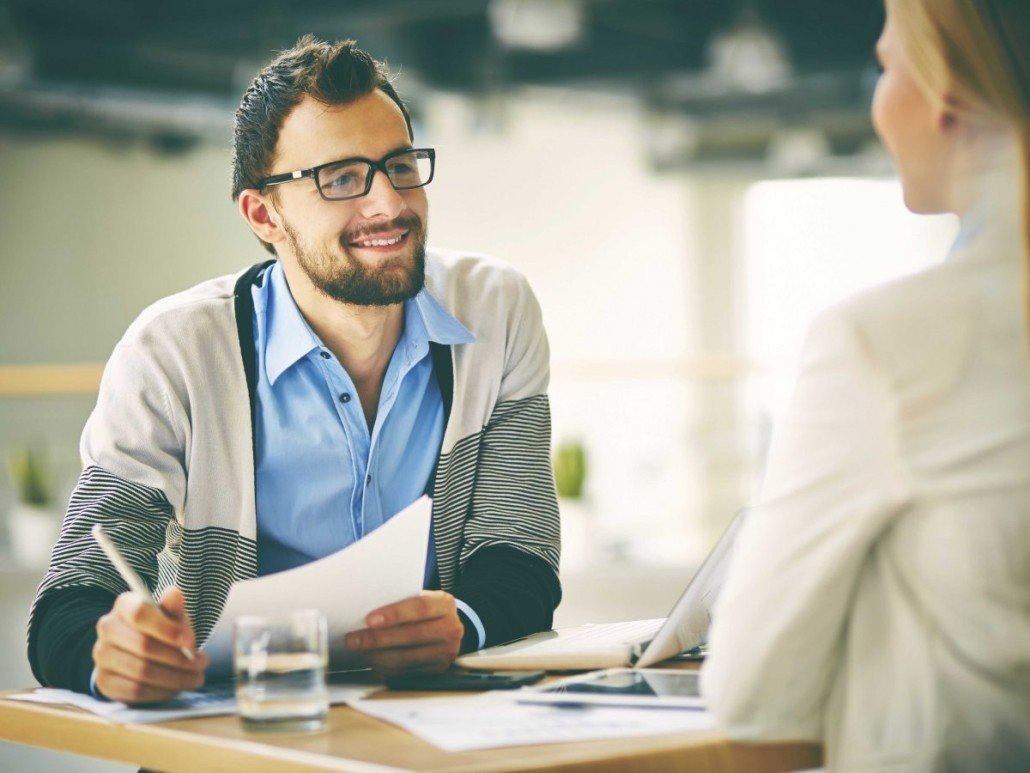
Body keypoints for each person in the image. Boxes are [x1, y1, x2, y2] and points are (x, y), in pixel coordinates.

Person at [27, 37, 561, 704]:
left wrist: (467, 622)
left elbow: (521, 550)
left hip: (426, 728)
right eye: (341, 178)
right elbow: (71, 598)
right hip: (236, 736)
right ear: (263, 213)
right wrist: (108, 656)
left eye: (399, 166)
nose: (389, 204)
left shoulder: (497, 309)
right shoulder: (175, 350)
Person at [701, 1, 1030, 770]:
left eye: (886, 65)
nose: (877, 94)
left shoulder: (885, 341)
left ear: (944, 90)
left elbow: (753, 697)